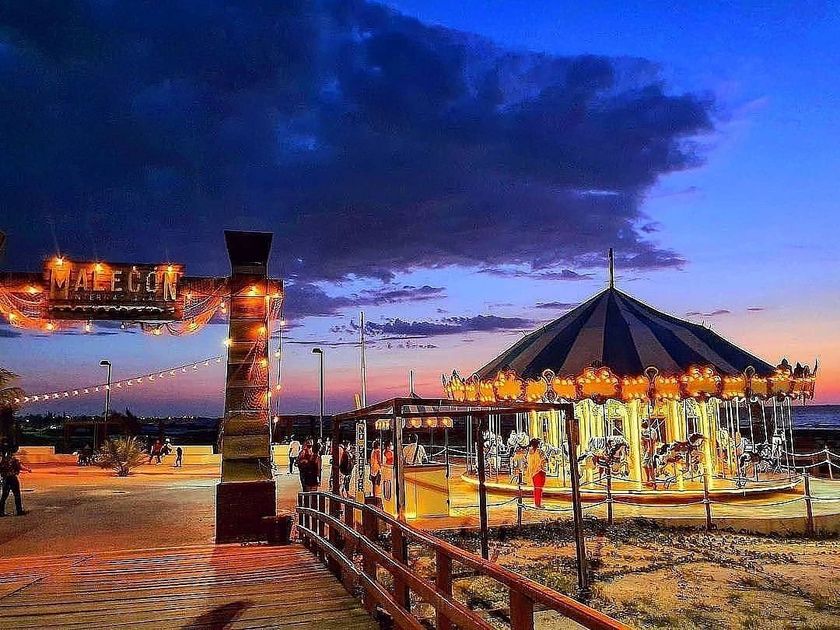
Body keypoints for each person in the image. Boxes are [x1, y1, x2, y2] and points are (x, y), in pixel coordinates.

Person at [1, 450, 32, 516]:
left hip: (6, 479)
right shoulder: (14, 460)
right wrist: (28, 469)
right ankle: (19, 511)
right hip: (12, 478)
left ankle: (1, 512)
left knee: (4, 496)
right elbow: (20, 467)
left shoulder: (3, 461)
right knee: (17, 495)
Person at [526, 438, 547, 508]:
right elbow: (545, 459)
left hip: (533, 472)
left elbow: (528, 462)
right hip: (540, 471)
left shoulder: (529, 452)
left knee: (536, 488)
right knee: (539, 488)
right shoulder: (540, 451)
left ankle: (537, 503)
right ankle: (538, 504)